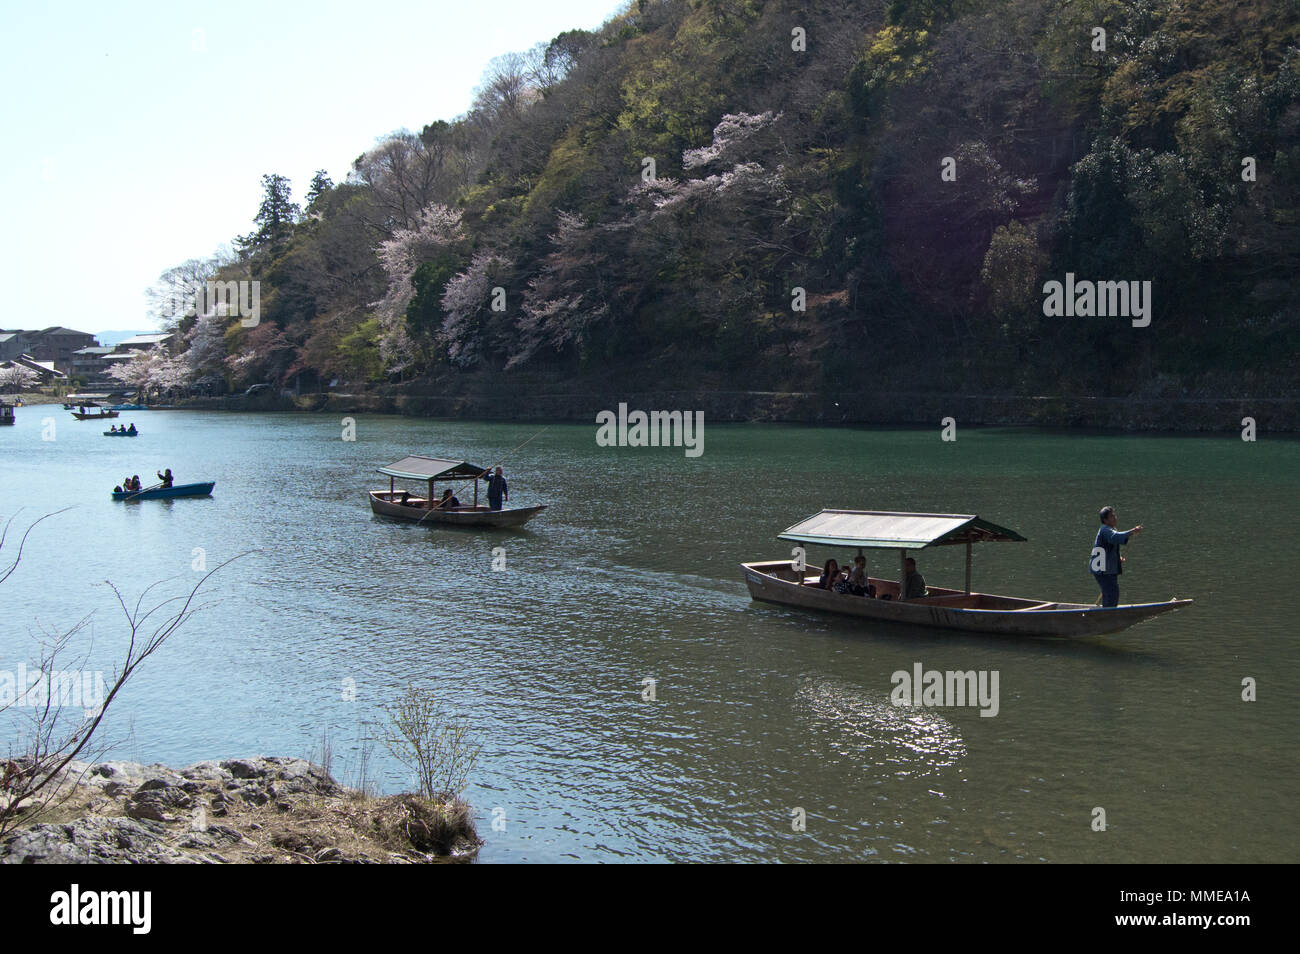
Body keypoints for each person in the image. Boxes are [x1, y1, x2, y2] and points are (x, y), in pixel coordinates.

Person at [1090, 505, 1142, 607]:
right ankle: (1106, 615)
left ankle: (1107, 613)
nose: (1115, 518)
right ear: (1105, 520)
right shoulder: (1105, 530)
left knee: (1112, 592)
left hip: (1107, 568)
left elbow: (1110, 548)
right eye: (1111, 516)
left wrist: (1117, 560)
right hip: (1102, 568)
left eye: (1114, 515)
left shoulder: (1110, 529)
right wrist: (1132, 531)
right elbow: (1115, 537)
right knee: (1111, 593)